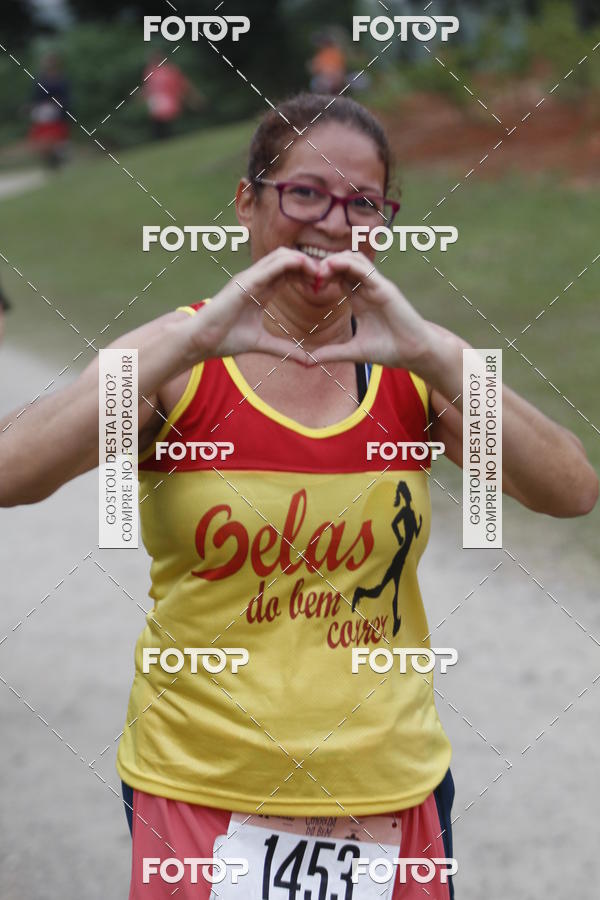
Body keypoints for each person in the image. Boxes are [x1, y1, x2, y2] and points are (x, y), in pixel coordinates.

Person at [1, 94, 597, 900]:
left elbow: (571, 491)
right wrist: (187, 342)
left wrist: (437, 355)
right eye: (306, 193)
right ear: (247, 202)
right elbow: (13, 472)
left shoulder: (412, 367)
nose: (333, 223)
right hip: (201, 789)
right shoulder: (176, 360)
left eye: (364, 204)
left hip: (390, 789)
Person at [142, 53, 204, 140]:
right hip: (160, 100)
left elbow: (180, 84)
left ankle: (169, 137)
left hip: (166, 99)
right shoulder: (152, 71)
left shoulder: (167, 70)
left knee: (166, 121)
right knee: (161, 122)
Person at [28, 53, 71, 169]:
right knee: (43, 137)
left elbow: (66, 95)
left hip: (59, 112)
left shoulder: (62, 79)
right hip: (43, 112)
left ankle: (59, 159)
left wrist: (60, 105)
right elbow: (35, 96)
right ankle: (49, 160)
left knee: (59, 139)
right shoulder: (40, 80)